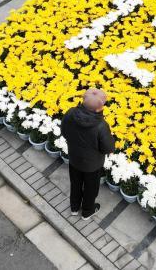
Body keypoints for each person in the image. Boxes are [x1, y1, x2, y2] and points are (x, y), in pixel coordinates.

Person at [60, 88, 115, 220]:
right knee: (91, 188)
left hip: (74, 158)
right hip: (92, 165)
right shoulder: (101, 125)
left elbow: (64, 131)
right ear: (99, 108)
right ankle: (87, 211)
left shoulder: (71, 113)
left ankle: (74, 207)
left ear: (83, 101)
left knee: (75, 183)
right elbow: (108, 148)